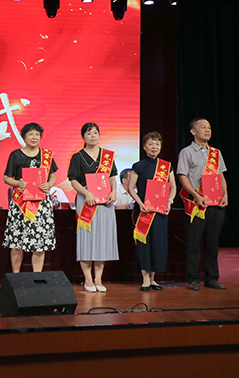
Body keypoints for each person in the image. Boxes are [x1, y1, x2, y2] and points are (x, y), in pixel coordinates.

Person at [177, 117, 229, 291]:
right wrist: (195, 195)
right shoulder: (186, 152)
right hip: (196, 204)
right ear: (193, 131)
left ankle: (212, 278)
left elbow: (221, 175)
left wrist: (225, 194)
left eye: (209, 127)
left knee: (212, 243)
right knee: (193, 243)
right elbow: (182, 177)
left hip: (215, 203)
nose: (208, 130)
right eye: (203, 127)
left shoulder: (215, 153)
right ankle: (193, 279)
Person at [67, 122, 118, 293]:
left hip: (105, 202)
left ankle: (98, 279)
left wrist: (114, 192)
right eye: (89, 133)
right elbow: (73, 180)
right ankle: (88, 279)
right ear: (83, 137)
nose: (93, 136)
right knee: (87, 239)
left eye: (95, 133)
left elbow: (112, 177)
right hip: (86, 201)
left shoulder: (107, 156)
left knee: (102, 240)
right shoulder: (77, 157)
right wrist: (86, 193)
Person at [3, 123, 58, 273]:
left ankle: (37, 276)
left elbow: (53, 176)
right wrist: (18, 183)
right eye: (31, 134)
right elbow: (7, 178)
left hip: (41, 204)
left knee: (39, 242)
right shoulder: (15, 155)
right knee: (17, 241)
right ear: (24, 137)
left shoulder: (46, 155)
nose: (34, 137)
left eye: (37, 134)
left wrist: (49, 184)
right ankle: (16, 276)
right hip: (20, 203)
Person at [128, 132, 176, 291]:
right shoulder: (138, 166)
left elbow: (173, 187)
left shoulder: (166, 166)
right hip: (144, 211)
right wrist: (140, 203)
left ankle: (154, 278)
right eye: (150, 144)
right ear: (144, 147)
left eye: (157, 144)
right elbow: (131, 187)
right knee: (144, 244)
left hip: (160, 212)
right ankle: (145, 279)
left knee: (157, 243)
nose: (154, 147)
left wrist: (169, 202)